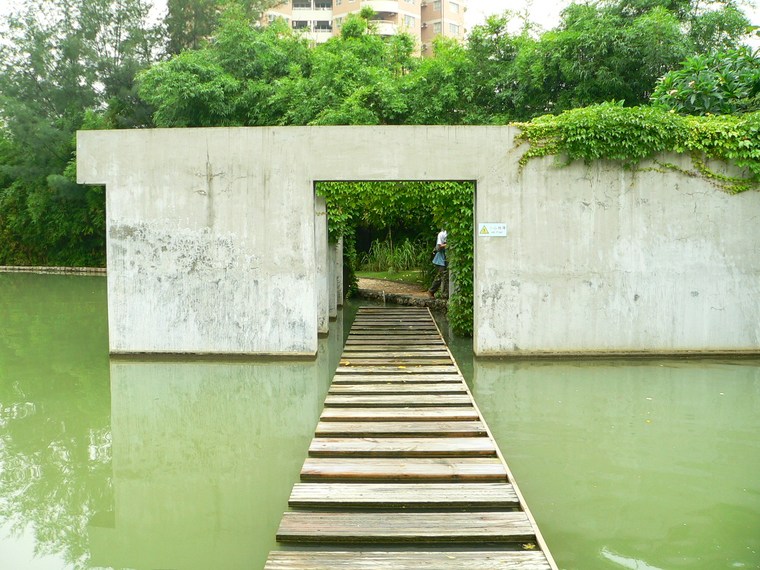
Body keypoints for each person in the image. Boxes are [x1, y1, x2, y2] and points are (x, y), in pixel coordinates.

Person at [428, 229, 448, 298]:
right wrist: (447, 245)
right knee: (440, 276)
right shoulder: (442, 234)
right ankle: (431, 291)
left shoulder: (452, 234)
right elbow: (438, 247)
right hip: (440, 259)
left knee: (447, 277)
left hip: (448, 258)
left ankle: (445, 294)